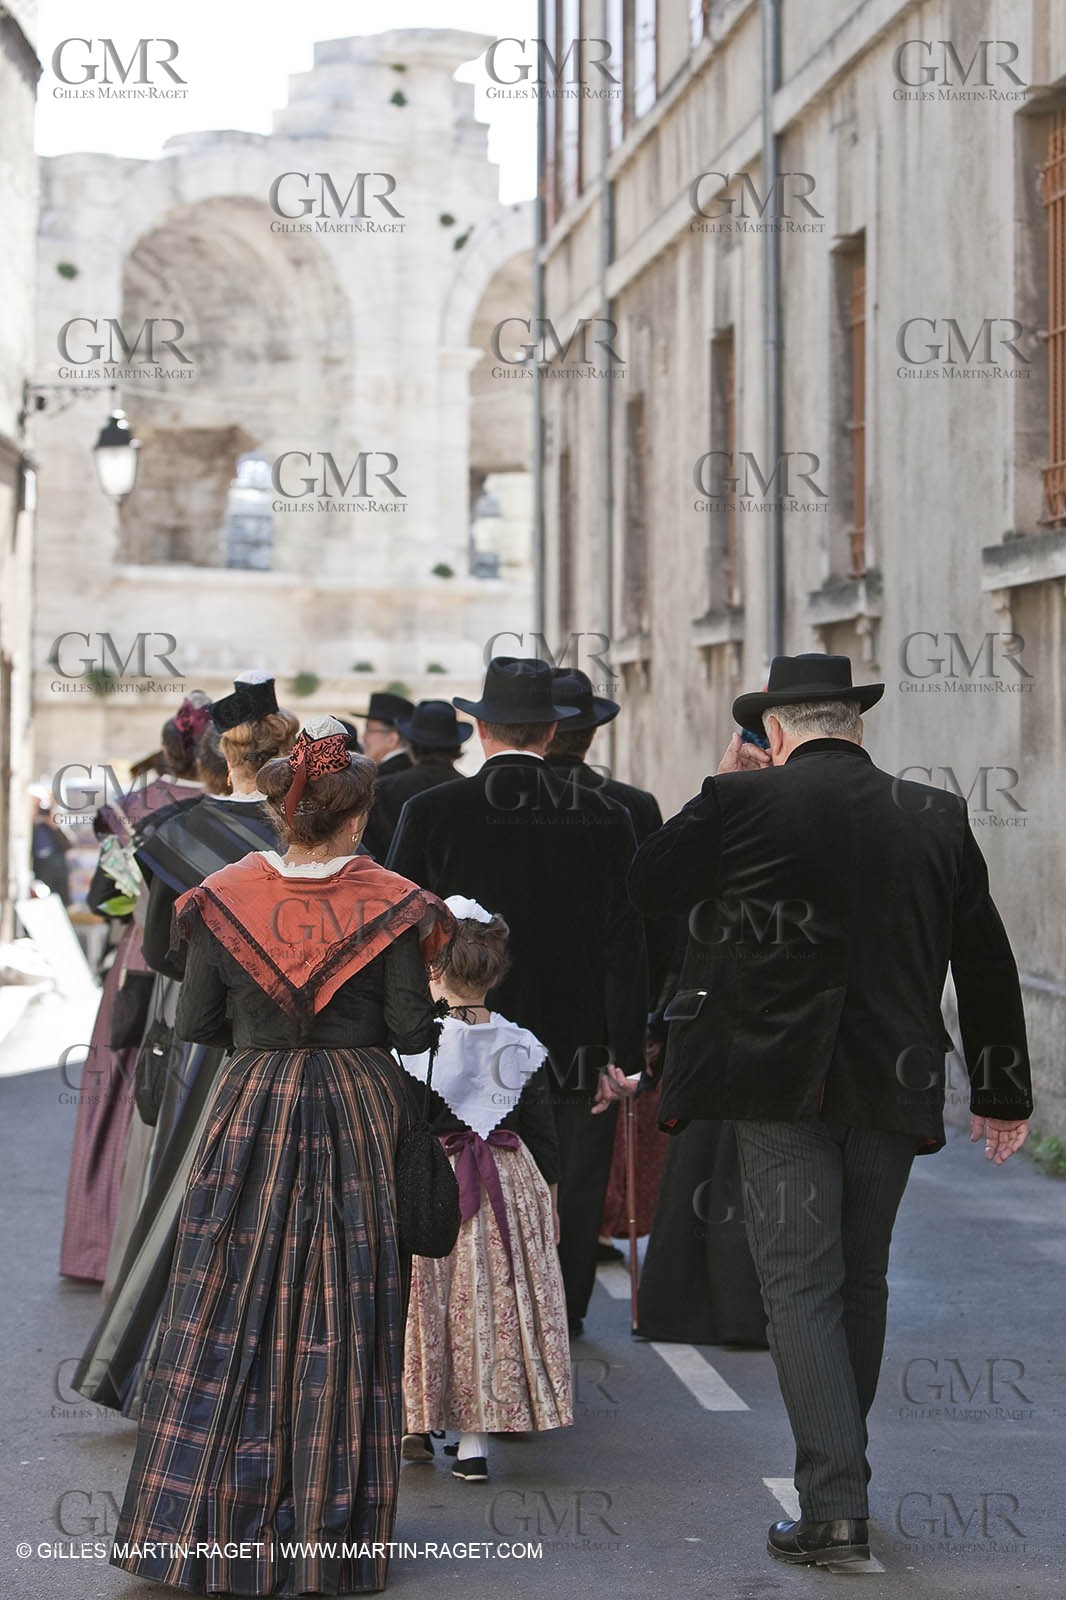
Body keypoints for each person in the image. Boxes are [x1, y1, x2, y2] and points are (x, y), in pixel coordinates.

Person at [624, 653, 1033, 1567]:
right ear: (856, 725)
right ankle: (841, 1482)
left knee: (799, 1284)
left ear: (772, 734)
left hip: (776, 1085)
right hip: (893, 1080)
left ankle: (834, 1504)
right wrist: (1003, 1093)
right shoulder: (933, 813)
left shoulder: (741, 805)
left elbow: (649, 887)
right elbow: (987, 959)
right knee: (861, 1280)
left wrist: (717, 788)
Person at [111, 716, 451, 1597]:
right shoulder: (397, 901)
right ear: (356, 814)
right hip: (358, 1112)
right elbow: (413, 1031)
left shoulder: (221, 898)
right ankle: (324, 1540)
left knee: (226, 1303)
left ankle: (202, 1528)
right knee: (344, 1311)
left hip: (252, 1106)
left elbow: (197, 1026)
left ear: (282, 813)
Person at [387, 656, 647, 1335]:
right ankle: (554, 1328)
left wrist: (400, 1030)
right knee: (569, 1188)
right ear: (552, 732)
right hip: (572, 1043)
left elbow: (395, 935)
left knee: (448, 1184)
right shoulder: (606, 815)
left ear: (481, 729)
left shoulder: (430, 811)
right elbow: (626, 942)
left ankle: (451, 1334)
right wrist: (623, 1053)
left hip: (452, 1040)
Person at [76, 677, 298, 1416]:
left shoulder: (172, 836)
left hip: (203, 1043)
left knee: (185, 1197)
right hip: (298, 1041)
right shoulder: (301, 835)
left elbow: (164, 953)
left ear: (218, 754)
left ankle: (167, 1376)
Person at [400, 896, 572, 1482]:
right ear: (494, 971)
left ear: (431, 968)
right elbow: (542, 1131)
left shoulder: (415, 1044)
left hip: (434, 1182)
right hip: (507, 1184)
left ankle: (416, 1421)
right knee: (487, 1306)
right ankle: (473, 1444)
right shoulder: (520, 1042)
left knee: (425, 1302)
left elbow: (405, 1119)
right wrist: (550, 1196)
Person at [59, 693, 210, 1281]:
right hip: (195, 964)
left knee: (115, 1086)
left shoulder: (136, 807)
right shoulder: (229, 812)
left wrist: (131, 905)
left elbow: (102, 897)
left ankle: (97, 1246)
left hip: (136, 964)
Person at [362, 699, 471, 861]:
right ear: (456, 746)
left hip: (397, 882)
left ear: (412, 745)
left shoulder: (383, 789)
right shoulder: (470, 790)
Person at [354, 689, 415, 776]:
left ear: (392, 739)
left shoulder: (381, 778)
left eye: (369, 730)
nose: (363, 737)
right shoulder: (410, 768)